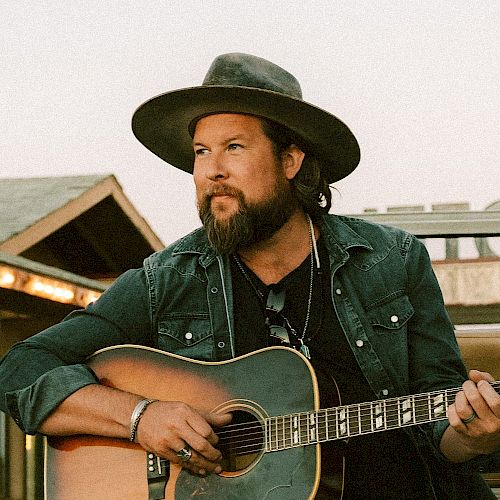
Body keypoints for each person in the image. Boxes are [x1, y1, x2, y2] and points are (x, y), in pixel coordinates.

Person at [0, 53, 499, 499]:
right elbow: (20, 369)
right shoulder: (167, 280)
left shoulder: (391, 260)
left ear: (289, 160)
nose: (211, 170)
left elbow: (444, 434)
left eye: (233, 147)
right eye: (201, 151)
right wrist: (140, 417)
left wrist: (475, 433)